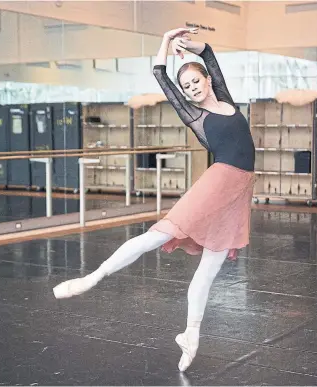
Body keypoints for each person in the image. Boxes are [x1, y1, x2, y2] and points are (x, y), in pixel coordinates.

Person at [52, 27, 256, 372]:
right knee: (158, 235)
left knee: (210, 269)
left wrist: (188, 45)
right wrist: (164, 41)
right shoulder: (195, 116)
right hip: (218, 181)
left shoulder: (225, 101)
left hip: (240, 190)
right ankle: (93, 278)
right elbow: (160, 75)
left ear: (207, 81)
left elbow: (209, 54)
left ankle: (191, 334)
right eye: (186, 87)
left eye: (195, 82)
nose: (191, 89)